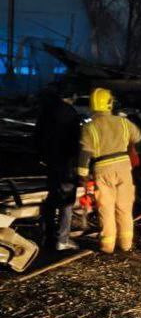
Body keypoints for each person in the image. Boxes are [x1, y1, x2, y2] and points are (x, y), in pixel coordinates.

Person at [77, 88, 141, 254]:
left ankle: (107, 246)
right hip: (123, 167)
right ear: (110, 103)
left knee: (106, 208)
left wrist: (83, 175)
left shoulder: (89, 127)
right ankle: (126, 244)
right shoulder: (123, 122)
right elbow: (139, 137)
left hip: (102, 168)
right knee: (124, 207)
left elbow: (85, 153)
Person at [35, 89, 81, 251]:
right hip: (66, 163)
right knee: (66, 201)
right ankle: (62, 239)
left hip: (50, 162)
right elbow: (76, 140)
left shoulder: (46, 112)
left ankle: (46, 235)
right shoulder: (70, 113)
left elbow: (37, 136)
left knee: (51, 197)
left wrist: (41, 156)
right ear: (72, 97)